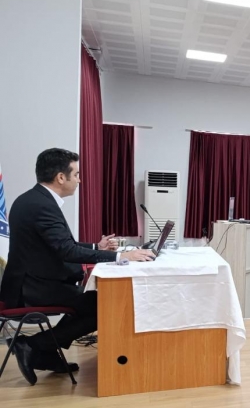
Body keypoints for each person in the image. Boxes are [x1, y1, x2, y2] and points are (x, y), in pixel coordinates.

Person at [0, 149, 155, 383]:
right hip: (32, 288)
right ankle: (33, 345)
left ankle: (45, 352)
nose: (80, 180)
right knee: (104, 305)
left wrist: (96, 246)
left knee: (94, 301)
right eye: (77, 174)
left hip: (32, 282)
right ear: (61, 177)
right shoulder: (41, 205)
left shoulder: (33, 199)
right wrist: (122, 256)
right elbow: (66, 250)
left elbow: (59, 244)